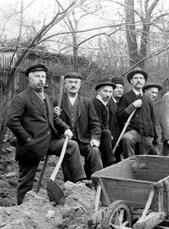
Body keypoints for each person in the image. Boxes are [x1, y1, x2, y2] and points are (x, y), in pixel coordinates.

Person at [7, 64, 86, 205]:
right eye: (37, 76)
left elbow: (53, 118)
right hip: (30, 145)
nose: (41, 79)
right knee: (26, 181)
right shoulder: (22, 98)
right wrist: (27, 139)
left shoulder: (47, 97)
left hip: (48, 141)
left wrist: (66, 128)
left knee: (71, 146)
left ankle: (77, 181)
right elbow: (12, 121)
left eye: (43, 76)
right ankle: (21, 209)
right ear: (30, 79)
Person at [54, 72, 103, 179]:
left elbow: (95, 123)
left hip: (83, 140)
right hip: (65, 140)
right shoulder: (57, 102)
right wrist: (53, 114)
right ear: (65, 84)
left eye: (76, 82)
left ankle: (97, 180)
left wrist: (95, 138)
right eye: (70, 82)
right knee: (68, 152)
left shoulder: (87, 102)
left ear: (80, 85)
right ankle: (72, 183)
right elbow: (52, 123)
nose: (73, 85)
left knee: (94, 151)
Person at [117, 68, 158, 158]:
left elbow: (153, 119)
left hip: (146, 134)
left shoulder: (147, 99)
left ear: (144, 82)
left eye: (141, 78)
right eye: (136, 78)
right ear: (131, 81)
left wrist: (154, 137)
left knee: (144, 159)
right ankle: (129, 164)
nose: (138, 80)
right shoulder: (125, 97)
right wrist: (132, 106)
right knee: (127, 138)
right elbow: (119, 117)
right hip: (133, 132)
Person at [92, 79, 119, 166]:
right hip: (92, 133)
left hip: (101, 133)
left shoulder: (106, 104)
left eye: (110, 92)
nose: (108, 94)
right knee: (107, 133)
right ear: (99, 91)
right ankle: (111, 161)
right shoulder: (95, 103)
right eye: (105, 91)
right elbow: (97, 123)